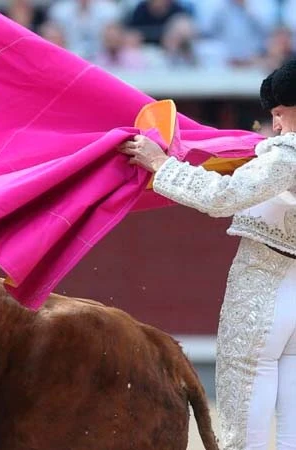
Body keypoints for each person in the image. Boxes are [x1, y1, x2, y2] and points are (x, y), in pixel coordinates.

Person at [118, 58, 296, 449]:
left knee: (243, 430)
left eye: (280, 113)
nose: (277, 125)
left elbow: (221, 196)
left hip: (264, 298)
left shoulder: (286, 156)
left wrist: (161, 165)